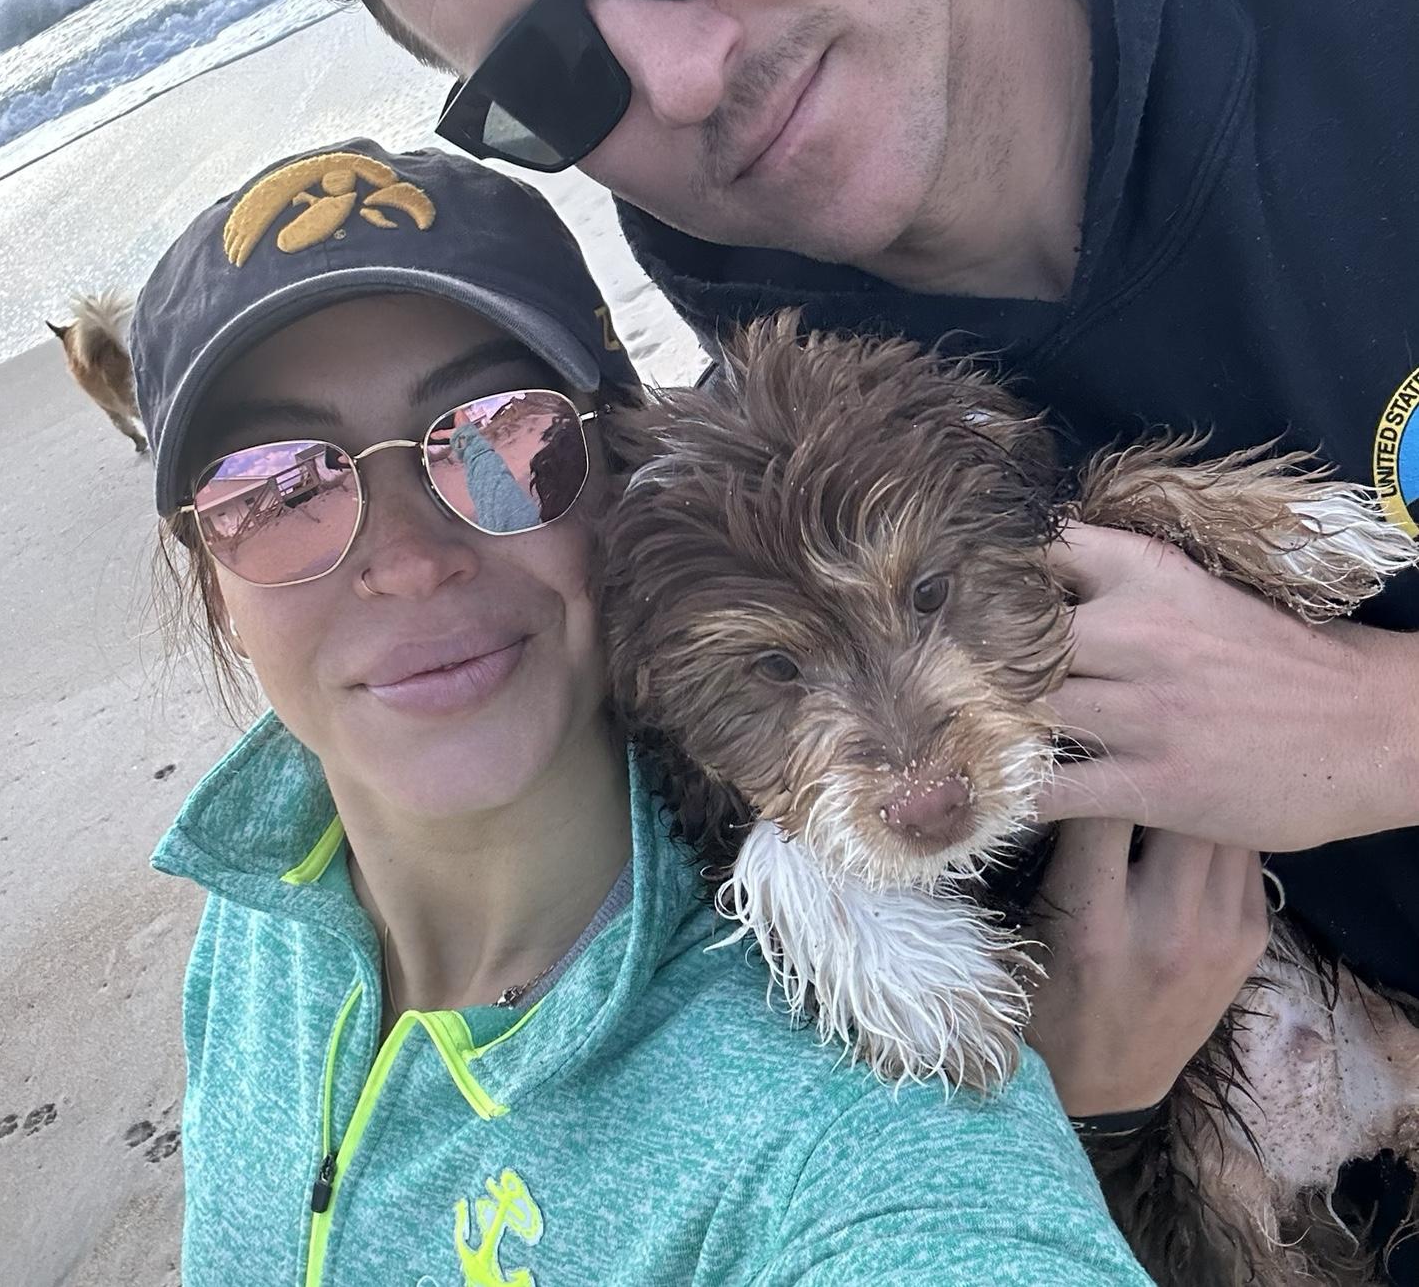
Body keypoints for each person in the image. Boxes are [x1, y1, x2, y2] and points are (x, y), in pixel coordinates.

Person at [253, 0, 1419, 1252]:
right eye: (552, 72)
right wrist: (1076, 1106)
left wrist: (1379, 725)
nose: (681, 73)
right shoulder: (722, 513)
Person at [134, 138, 1150, 1285]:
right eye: (277, 491)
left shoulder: (844, 1090)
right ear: (215, 587)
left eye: (499, 438)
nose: (409, 562)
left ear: (624, 483)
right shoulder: (261, 892)